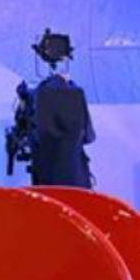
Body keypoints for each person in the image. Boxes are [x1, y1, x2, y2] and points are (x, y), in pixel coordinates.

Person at [29, 30, 95, 188]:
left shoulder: (37, 94)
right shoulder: (77, 92)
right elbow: (89, 137)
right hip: (77, 182)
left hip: (47, 182)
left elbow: (33, 135)